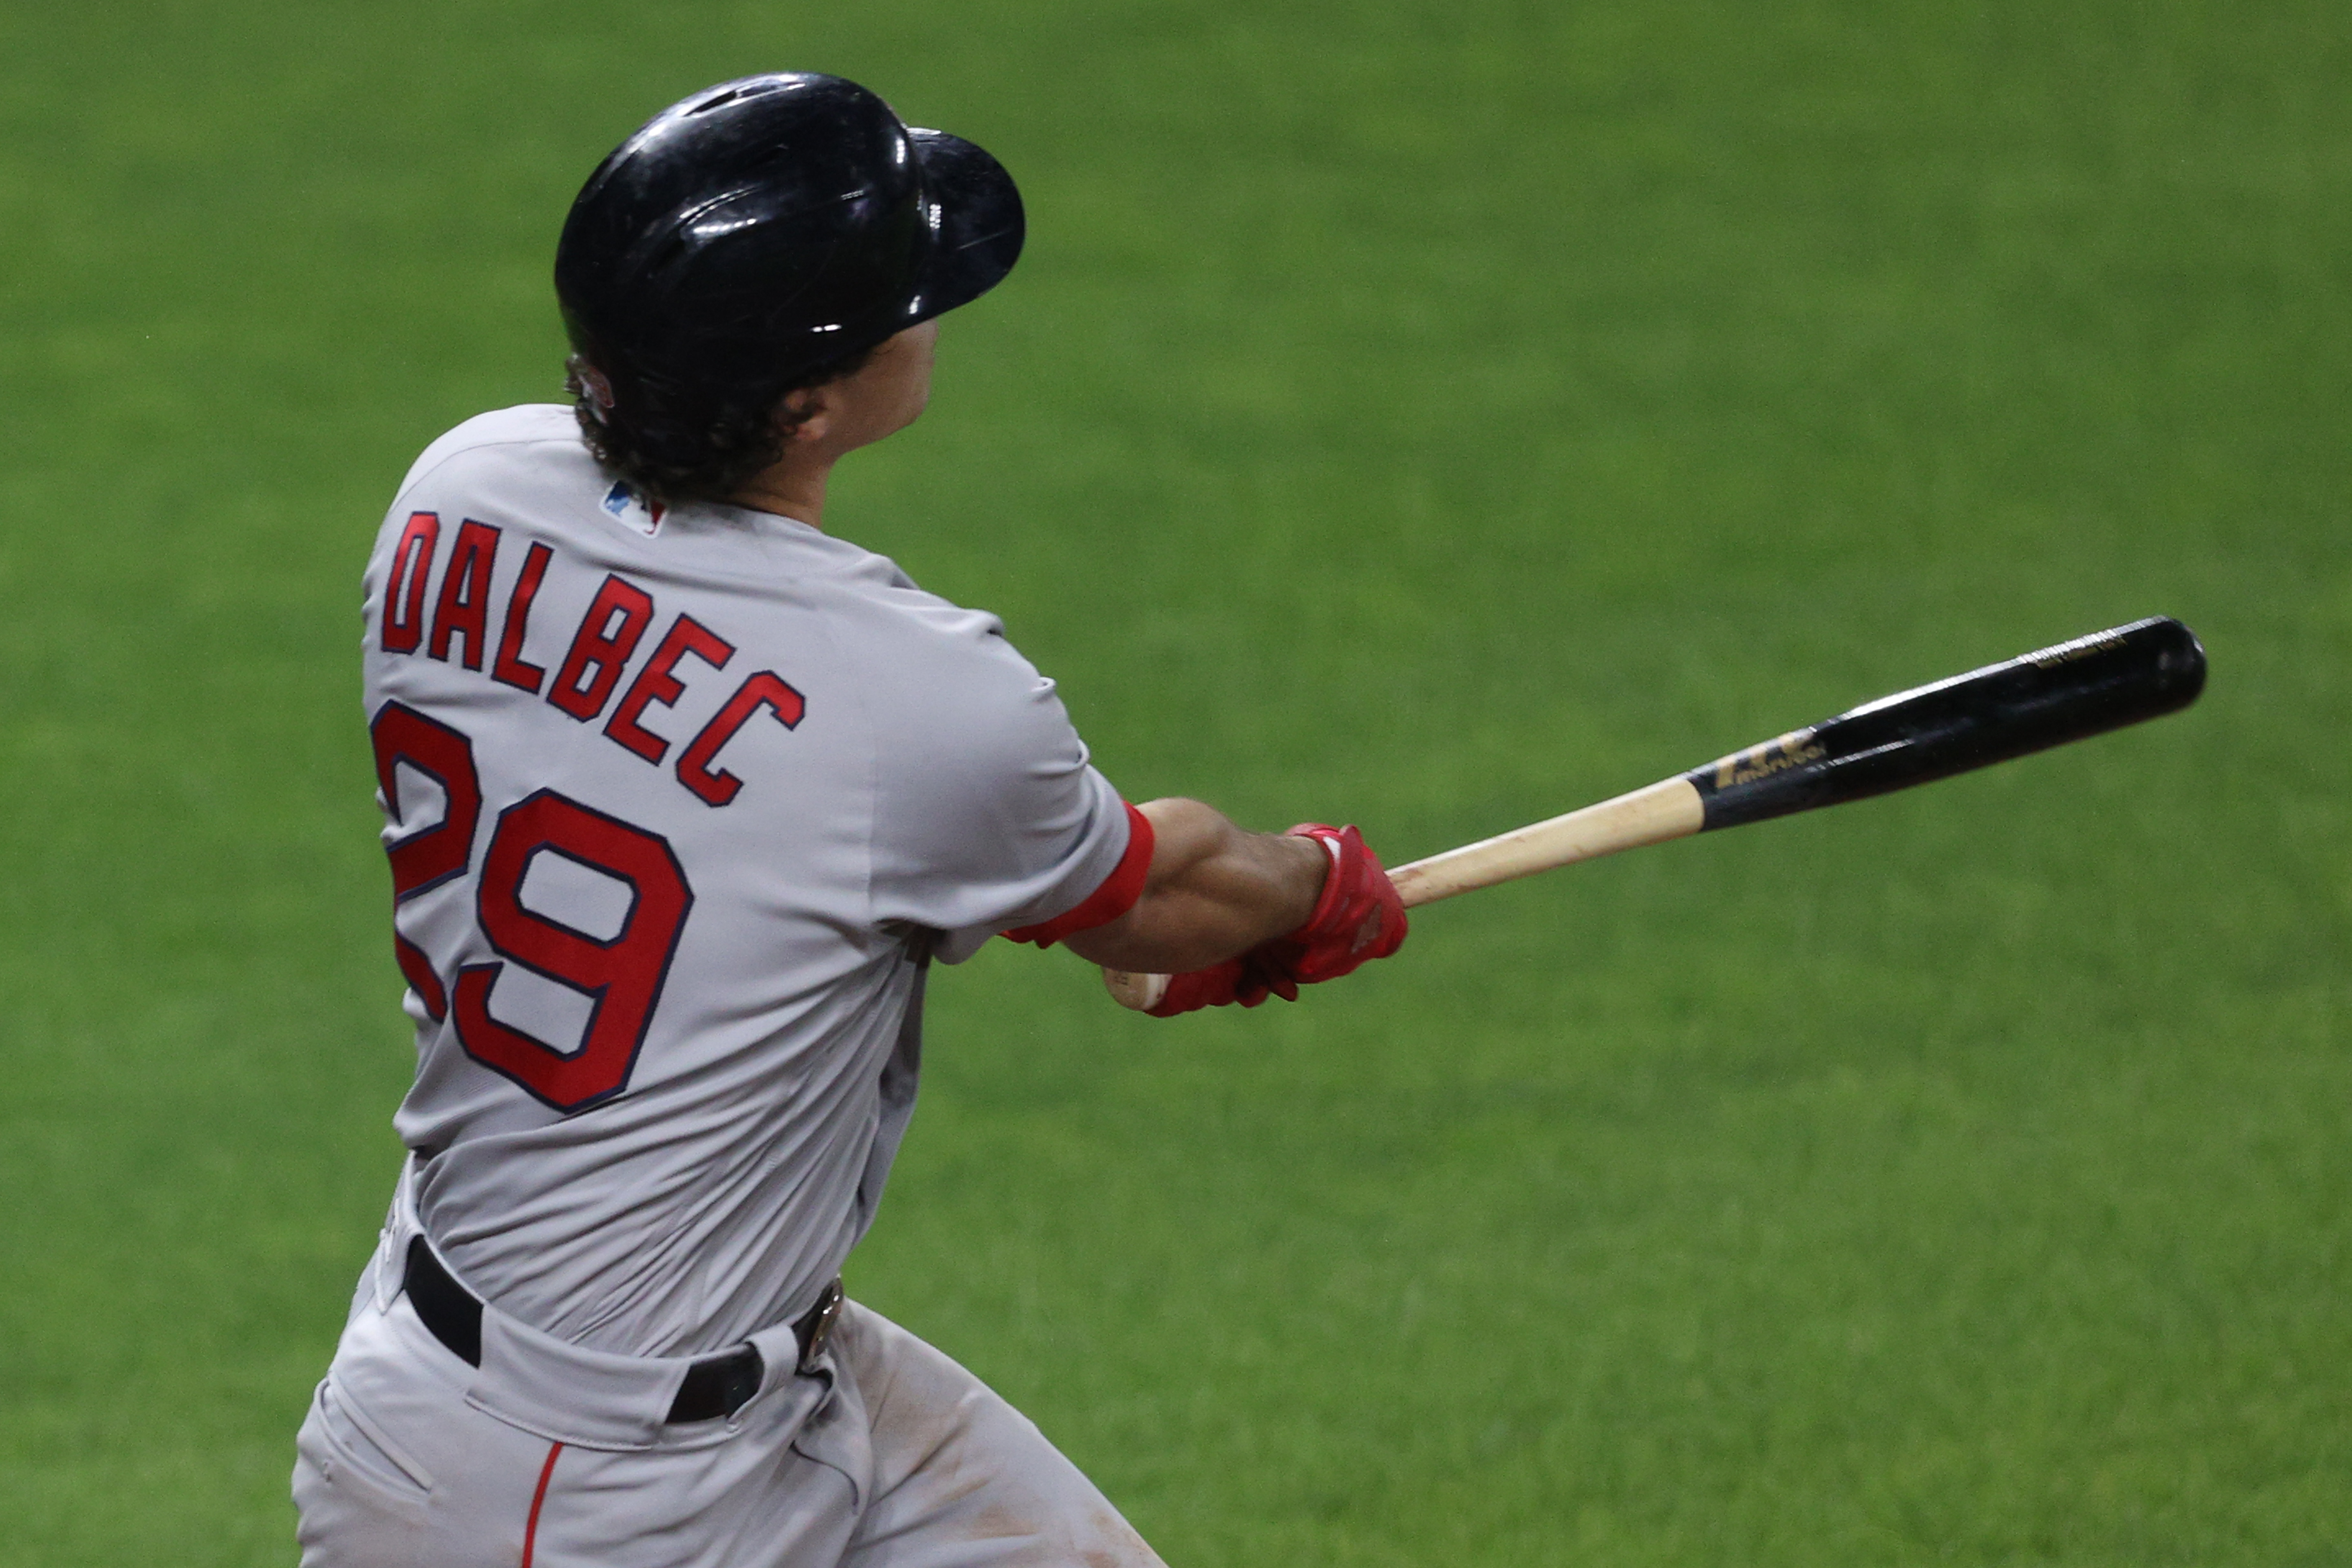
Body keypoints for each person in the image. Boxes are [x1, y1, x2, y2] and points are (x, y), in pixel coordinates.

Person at [294, 72, 1406, 1567]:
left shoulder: (456, 494)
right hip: (569, 1504)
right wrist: (1314, 883)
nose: (929, 303)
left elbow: (759, 827)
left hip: (664, 1371)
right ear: (808, 402)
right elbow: (1168, 899)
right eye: (904, 293)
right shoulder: (912, 704)